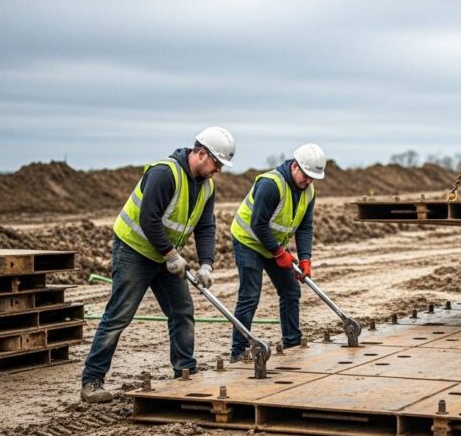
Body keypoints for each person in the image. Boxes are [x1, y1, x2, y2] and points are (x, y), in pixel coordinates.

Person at [80, 127, 234, 403]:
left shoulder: (207, 187)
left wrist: (207, 264)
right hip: (135, 251)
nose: (219, 170)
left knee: (182, 311)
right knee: (119, 315)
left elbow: (206, 227)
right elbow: (148, 218)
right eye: (217, 163)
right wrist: (171, 255)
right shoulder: (165, 173)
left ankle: (185, 371)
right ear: (201, 154)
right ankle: (92, 380)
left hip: (166, 256)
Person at [228, 143, 325, 361]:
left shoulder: (308, 191)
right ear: (295, 166)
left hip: (274, 244)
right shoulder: (271, 184)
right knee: (250, 296)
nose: (308, 181)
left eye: (313, 178)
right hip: (249, 241)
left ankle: (292, 342)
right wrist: (279, 252)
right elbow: (258, 224)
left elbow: (305, 227)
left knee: (291, 290)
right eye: (306, 175)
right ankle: (238, 351)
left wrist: (306, 259)